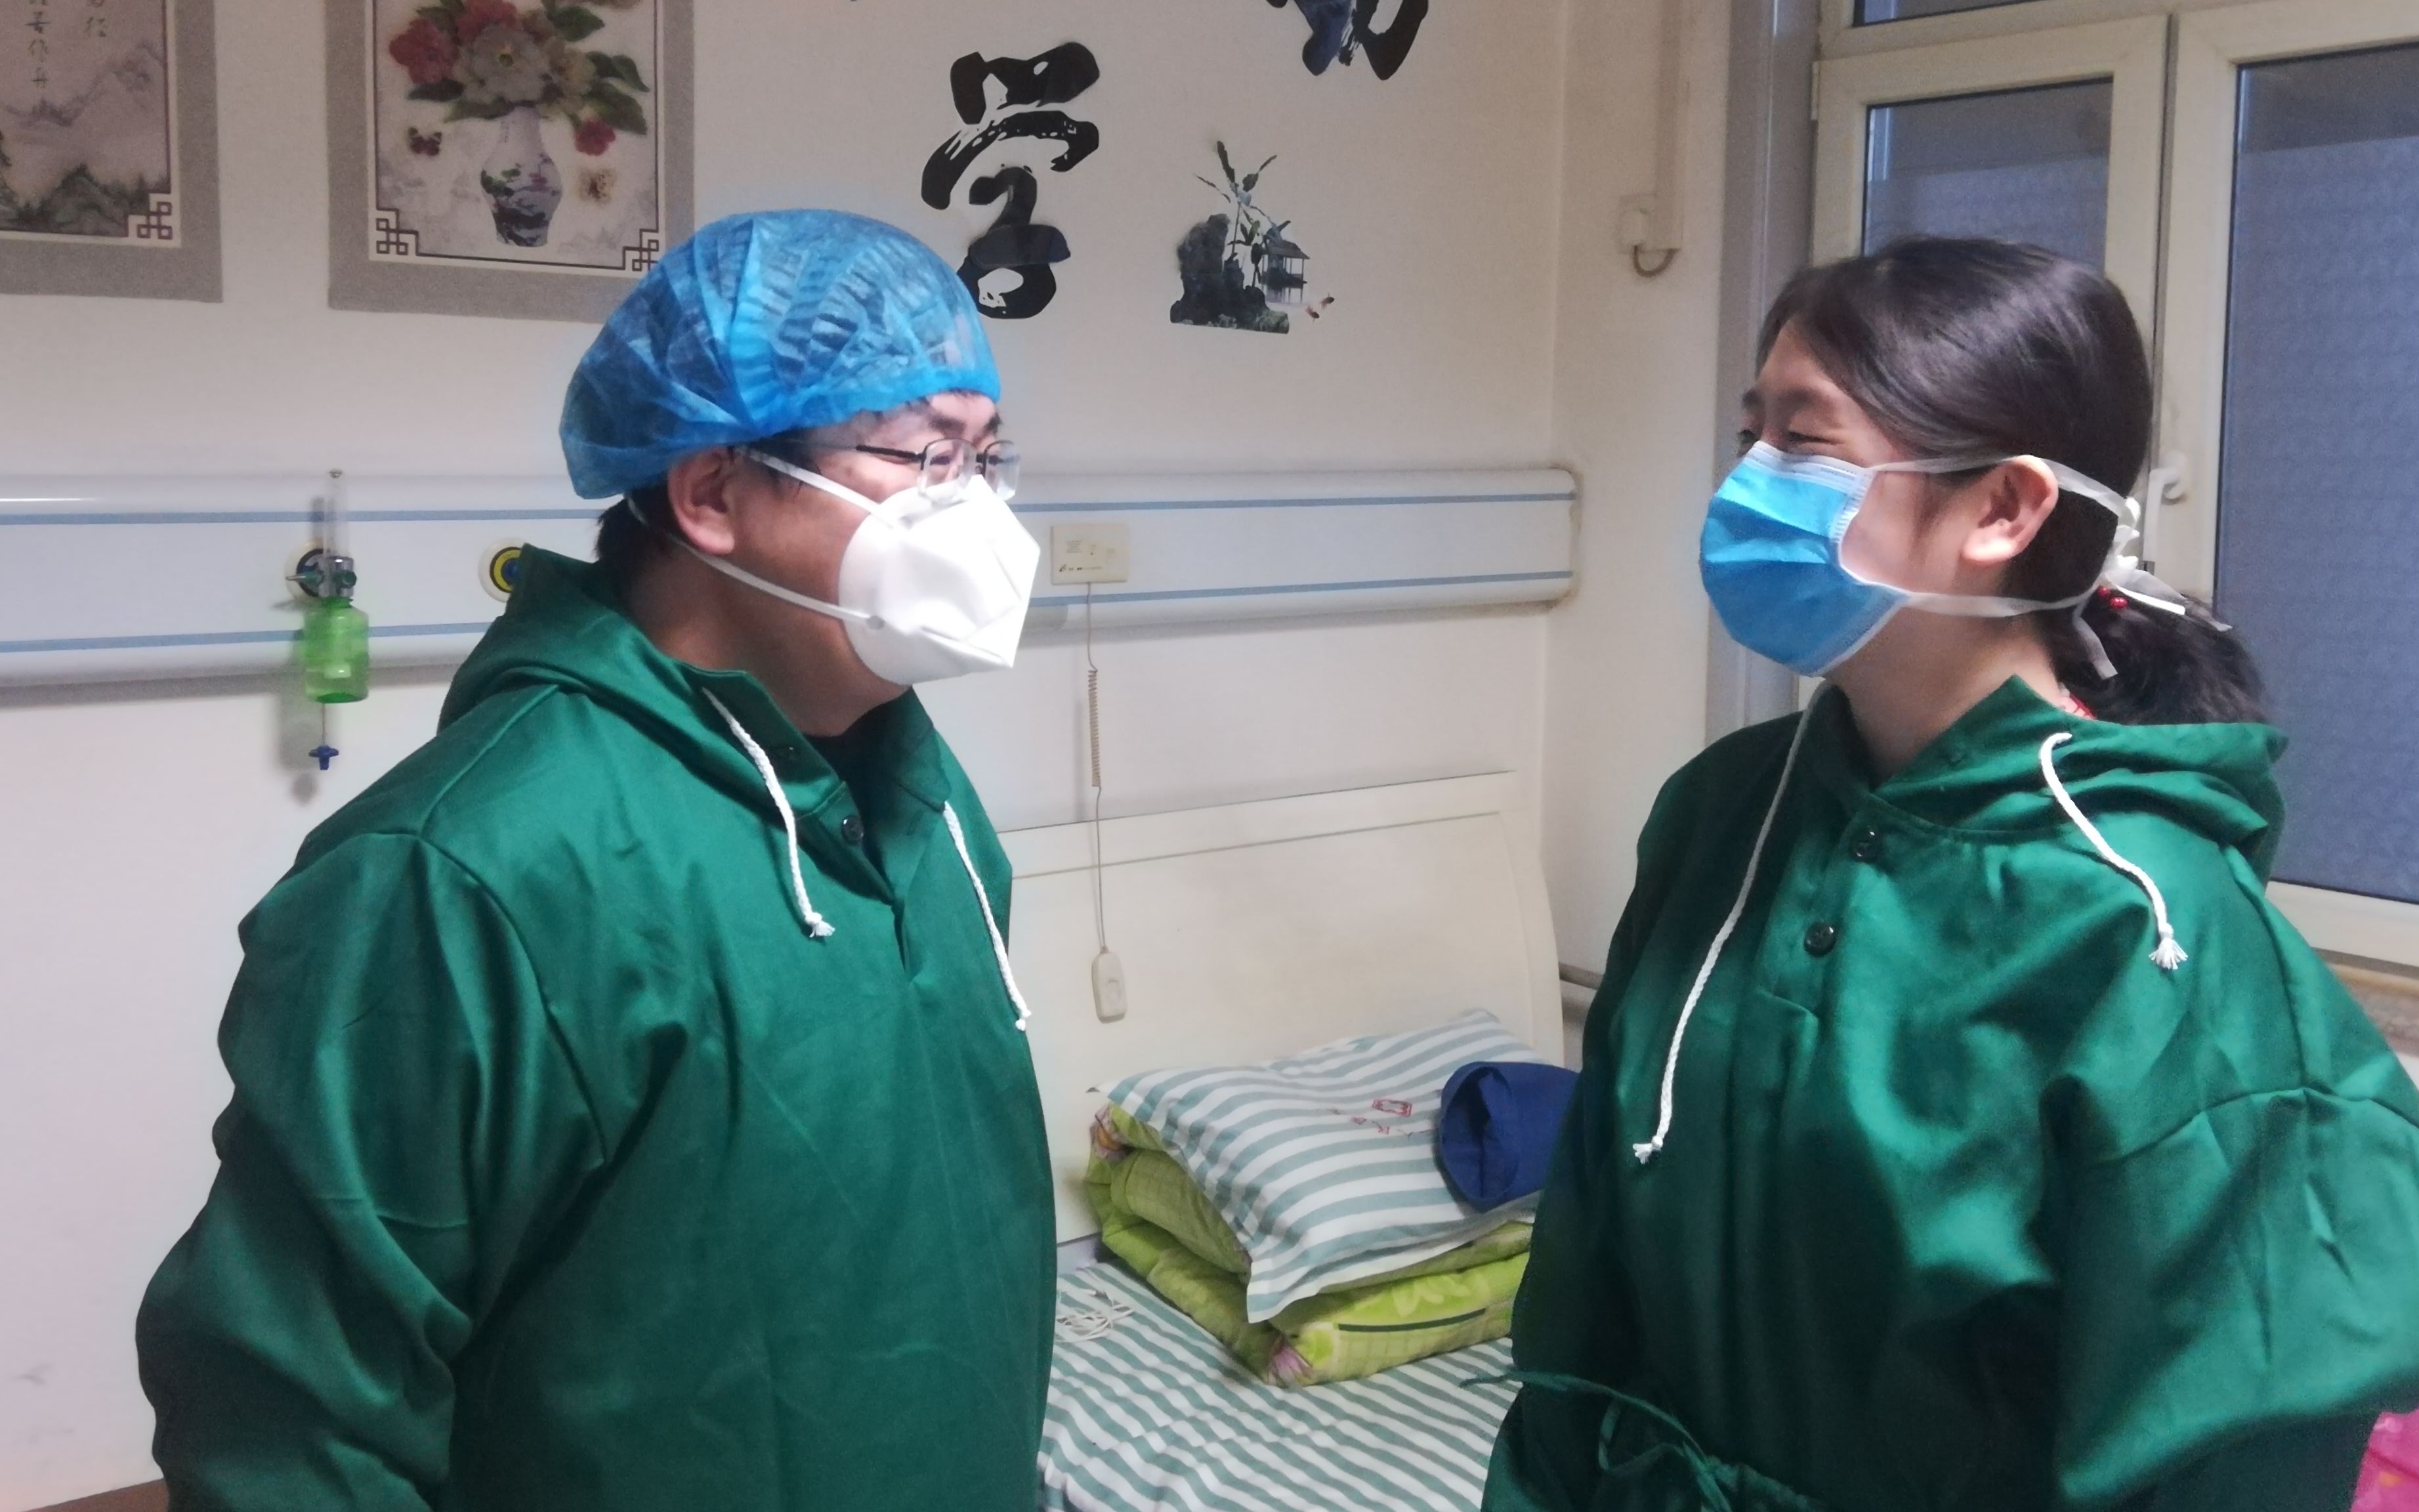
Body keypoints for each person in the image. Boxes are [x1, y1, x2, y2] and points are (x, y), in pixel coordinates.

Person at [137, 211, 1056, 1511]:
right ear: (712, 493)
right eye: (927, 457)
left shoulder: (923, 802)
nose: (978, 512)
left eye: (988, 458)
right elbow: (295, 1423)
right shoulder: (460, 875)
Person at [1486, 238, 2419, 1512]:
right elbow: (1590, 1278)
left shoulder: (2150, 930)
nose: (1746, 485)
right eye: (1749, 436)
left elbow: (2234, 1445)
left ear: (2001, 509)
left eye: (1804, 444)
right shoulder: (1723, 816)